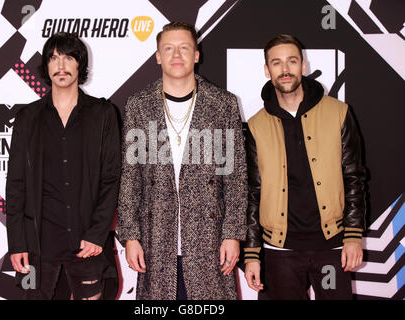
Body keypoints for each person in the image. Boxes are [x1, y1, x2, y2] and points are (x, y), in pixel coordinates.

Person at [117, 22, 247, 300]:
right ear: (158, 56)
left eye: (184, 48)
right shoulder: (138, 105)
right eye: (169, 48)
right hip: (156, 240)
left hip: (210, 240)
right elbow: (130, 177)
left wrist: (233, 233)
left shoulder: (222, 104)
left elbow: (235, 176)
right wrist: (130, 236)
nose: (177, 55)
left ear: (197, 55)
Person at [243, 34, 366, 300]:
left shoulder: (339, 112)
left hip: (332, 246)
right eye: (276, 63)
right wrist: (252, 254)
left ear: (304, 66)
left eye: (292, 61)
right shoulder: (255, 126)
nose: (285, 70)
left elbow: (354, 177)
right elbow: (253, 192)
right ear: (267, 70)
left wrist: (354, 236)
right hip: (278, 251)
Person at [6, 32, 121, 300]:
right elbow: (16, 184)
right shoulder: (27, 118)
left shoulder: (103, 114)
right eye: (54, 58)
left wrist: (97, 234)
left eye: (68, 57)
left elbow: (112, 179)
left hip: (87, 244)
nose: (61, 65)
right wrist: (17, 242)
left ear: (79, 64)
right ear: (46, 66)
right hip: (39, 245)